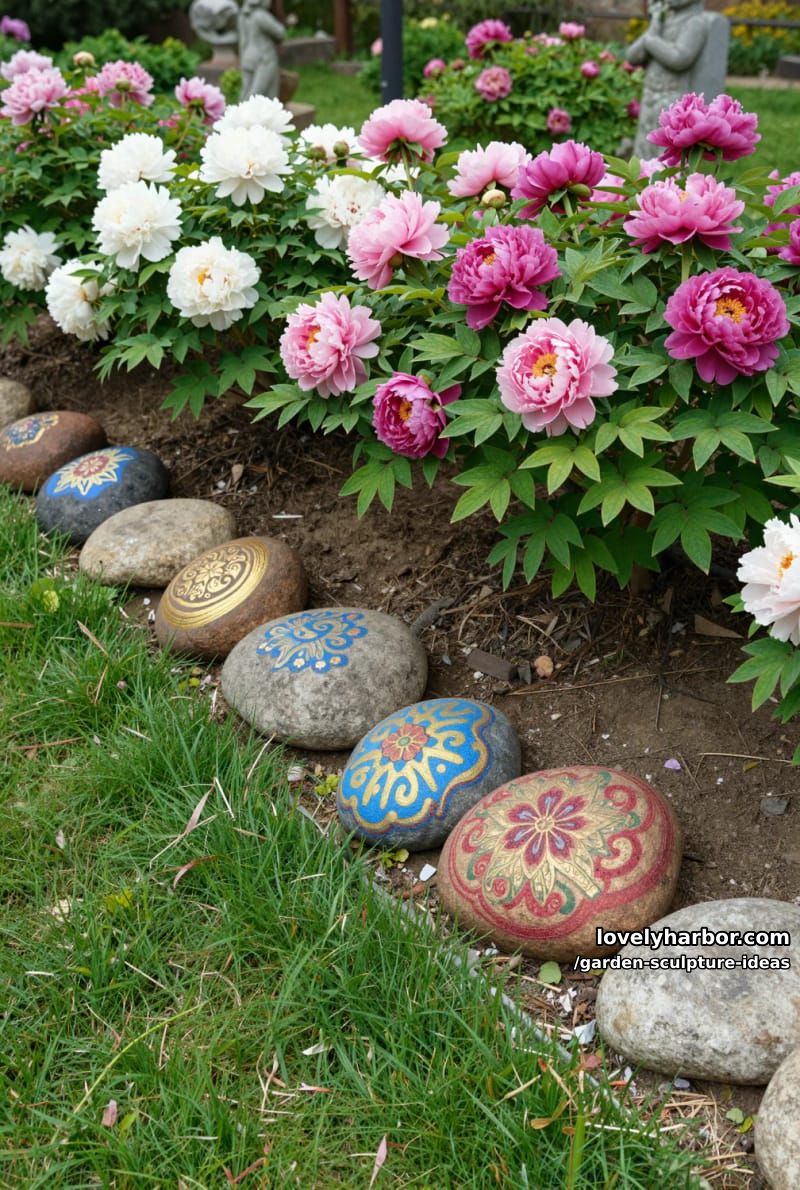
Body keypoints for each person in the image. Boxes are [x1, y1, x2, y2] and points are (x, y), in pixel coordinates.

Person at [625, 0, 730, 158]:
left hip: (673, 99)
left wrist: (650, 40)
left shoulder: (694, 23)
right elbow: (632, 56)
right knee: (645, 145)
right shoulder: (664, 22)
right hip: (651, 95)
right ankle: (642, 178)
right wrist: (654, 24)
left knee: (667, 149)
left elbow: (679, 58)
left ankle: (665, 180)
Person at [239, 0, 286, 99]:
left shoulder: (243, 17)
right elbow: (280, 33)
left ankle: (239, 112)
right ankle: (255, 113)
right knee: (259, 93)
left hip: (247, 57)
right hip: (264, 57)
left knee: (246, 90)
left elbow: (242, 41)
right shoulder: (260, 16)